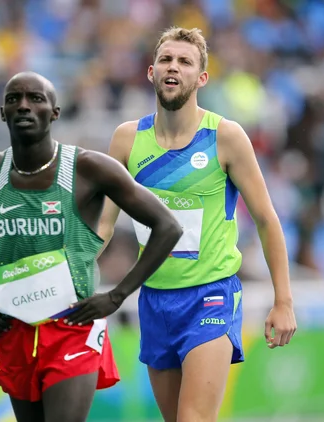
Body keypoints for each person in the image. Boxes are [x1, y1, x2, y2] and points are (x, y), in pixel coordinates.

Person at [0, 71, 183, 422]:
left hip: (72, 326)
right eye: (14, 99)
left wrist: (117, 295)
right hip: (14, 327)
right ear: (2, 113)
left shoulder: (89, 167)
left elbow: (167, 226)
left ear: (54, 112)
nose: (24, 105)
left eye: (35, 98)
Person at [97, 27, 298, 422]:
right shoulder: (126, 140)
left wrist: (284, 302)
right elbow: (103, 225)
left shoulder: (225, 137)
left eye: (185, 62)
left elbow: (267, 219)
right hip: (154, 300)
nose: (174, 67)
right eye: (167, 60)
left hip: (210, 295)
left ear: (201, 78)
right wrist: (68, 275)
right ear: (151, 72)